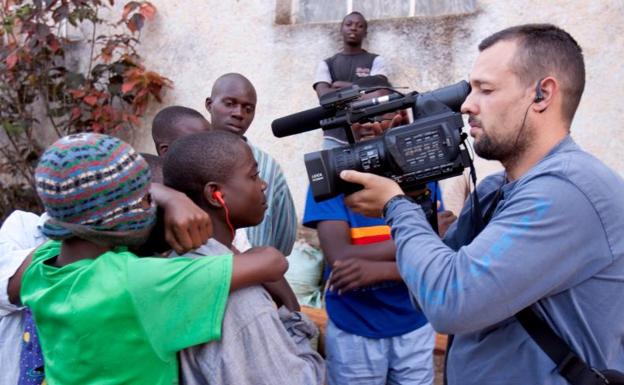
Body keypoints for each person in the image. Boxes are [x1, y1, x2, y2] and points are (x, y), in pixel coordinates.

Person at [339, 24, 624, 384]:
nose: (467, 104)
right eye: (470, 88)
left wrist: (396, 207)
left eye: (485, 90)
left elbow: (447, 301)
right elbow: (424, 291)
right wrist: (412, 190)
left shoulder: (568, 192)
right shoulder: (496, 190)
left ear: (542, 94)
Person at [11, 133, 288, 385]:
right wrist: (176, 199)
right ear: (119, 215)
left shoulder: (39, 268)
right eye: (145, 199)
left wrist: (169, 197)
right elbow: (273, 261)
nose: (152, 207)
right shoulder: (138, 282)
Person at [303, 78, 444, 385]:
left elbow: (438, 250)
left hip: (415, 324)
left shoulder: (422, 170)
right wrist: (415, 246)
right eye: (359, 115)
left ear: (401, 117)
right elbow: (339, 257)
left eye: (377, 113)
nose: (367, 123)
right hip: (355, 329)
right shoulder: (330, 177)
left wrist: (377, 270)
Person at [163, 130, 325, 385]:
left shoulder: (177, 263)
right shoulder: (241, 300)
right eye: (253, 175)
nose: (263, 184)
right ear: (215, 194)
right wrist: (292, 312)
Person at [205, 73, 297, 256]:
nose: (239, 114)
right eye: (229, 103)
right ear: (209, 105)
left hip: (254, 277)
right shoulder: (186, 158)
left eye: (248, 108)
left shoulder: (269, 169)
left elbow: (283, 242)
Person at [313, 11, 388, 149]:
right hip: (334, 136)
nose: (353, 28)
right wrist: (362, 92)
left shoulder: (376, 60)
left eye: (359, 26)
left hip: (368, 133)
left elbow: (380, 94)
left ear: (365, 33)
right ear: (341, 29)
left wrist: (339, 86)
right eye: (349, 24)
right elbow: (324, 97)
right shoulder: (327, 63)